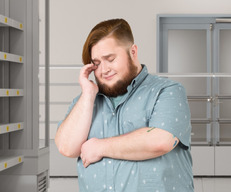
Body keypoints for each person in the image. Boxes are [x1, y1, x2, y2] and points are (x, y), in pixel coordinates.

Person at [55, 18, 194, 192]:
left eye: (110, 59)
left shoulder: (167, 91)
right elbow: (67, 147)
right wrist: (88, 95)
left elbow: (161, 140)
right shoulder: (84, 101)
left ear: (133, 52)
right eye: (96, 63)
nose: (104, 69)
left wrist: (99, 147)